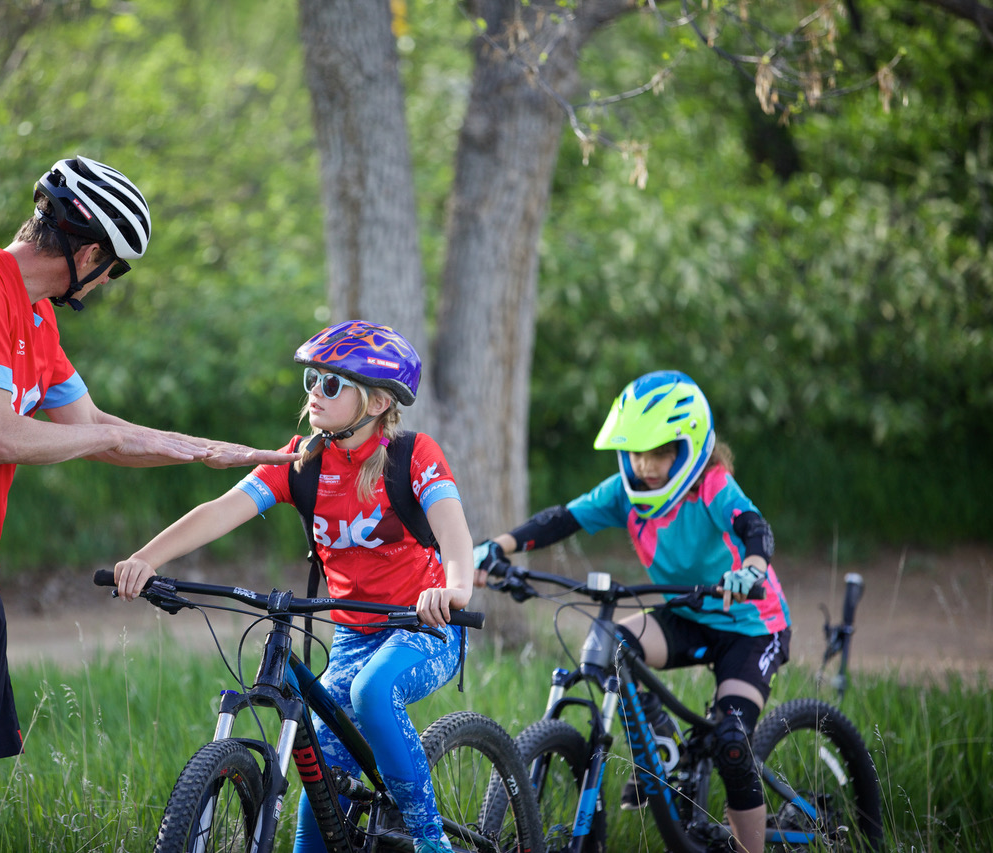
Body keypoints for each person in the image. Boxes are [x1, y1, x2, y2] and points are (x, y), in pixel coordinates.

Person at [0, 155, 298, 853]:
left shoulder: (35, 319)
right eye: (115, 269)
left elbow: (93, 427)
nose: (108, 282)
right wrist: (111, 437)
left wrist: (204, 449)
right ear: (87, 254)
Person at [112, 320, 475, 853]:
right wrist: (146, 558)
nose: (315, 392)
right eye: (312, 380)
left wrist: (455, 589)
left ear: (377, 402)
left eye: (331, 383)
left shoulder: (413, 456)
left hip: (424, 627)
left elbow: (454, 532)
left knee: (372, 692)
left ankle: (430, 840)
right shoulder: (302, 462)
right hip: (353, 635)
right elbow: (220, 510)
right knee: (321, 797)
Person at [472, 370, 790, 853]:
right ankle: (662, 748)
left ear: (689, 448)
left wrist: (751, 568)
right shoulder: (626, 492)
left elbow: (753, 526)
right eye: (637, 452)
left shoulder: (711, 485)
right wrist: (497, 546)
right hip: (688, 615)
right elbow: (562, 518)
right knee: (610, 648)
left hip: (752, 626)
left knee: (731, 741)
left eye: (660, 452)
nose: (646, 465)